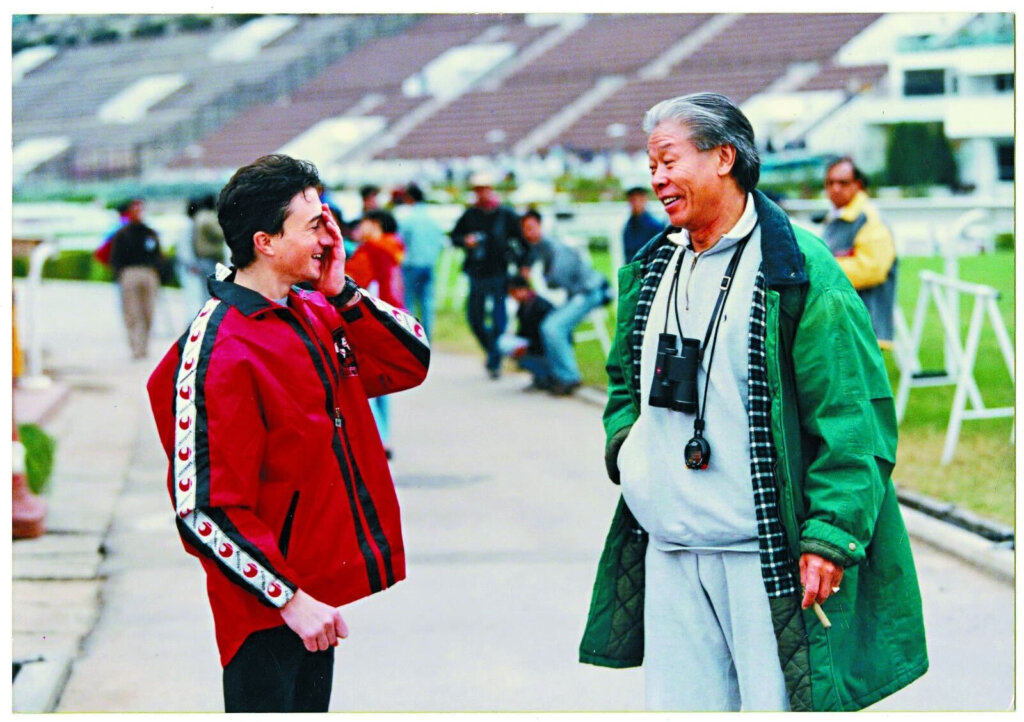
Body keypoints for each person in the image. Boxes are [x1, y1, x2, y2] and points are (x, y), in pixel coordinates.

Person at [579, 93, 927, 712]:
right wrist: (628, 452)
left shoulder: (800, 272)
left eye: (668, 160)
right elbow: (623, 383)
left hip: (763, 550)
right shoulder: (652, 268)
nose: (655, 178)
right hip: (670, 546)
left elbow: (852, 414)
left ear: (724, 158)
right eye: (650, 163)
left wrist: (831, 537)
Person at [146, 154, 429, 713]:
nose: (331, 235)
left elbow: (409, 362)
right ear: (266, 241)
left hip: (311, 594)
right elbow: (204, 508)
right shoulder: (222, 349)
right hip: (266, 610)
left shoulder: (312, 309)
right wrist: (288, 598)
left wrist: (344, 290)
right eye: (314, 224)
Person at [519, 209, 610, 396]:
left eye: (531, 228)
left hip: (590, 292)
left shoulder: (554, 247)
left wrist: (540, 275)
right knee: (547, 323)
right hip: (576, 294)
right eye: (525, 230)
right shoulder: (540, 250)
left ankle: (569, 378)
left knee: (552, 327)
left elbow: (559, 278)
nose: (528, 233)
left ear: (540, 226)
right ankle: (556, 374)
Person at [450, 171, 524, 378]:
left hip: (499, 272)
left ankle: (494, 359)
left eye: (485, 189)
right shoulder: (470, 215)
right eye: (478, 190)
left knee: (499, 317)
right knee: (475, 317)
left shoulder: (505, 214)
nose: (482, 194)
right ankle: (493, 350)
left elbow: (520, 240)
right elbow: (454, 236)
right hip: (477, 273)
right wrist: (466, 241)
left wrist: (521, 266)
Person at [347, 209, 406, 458]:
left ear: (376, 225)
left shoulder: (370, 251)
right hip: (392, 319)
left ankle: (380, 439)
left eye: (365, 224)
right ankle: (386, 436)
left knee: (365, 383)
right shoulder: (395, 249)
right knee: (382, 385)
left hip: (370, 321)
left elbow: (349, 280)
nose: (360, 229)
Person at [822, 156, 898, 348]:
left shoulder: (869, 219)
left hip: (864, 322)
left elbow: (873, 269)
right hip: (841, 317)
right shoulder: (837, 216)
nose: (835, 188)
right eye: (830, 183)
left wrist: (821, 269)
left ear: (858, 185)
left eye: (843, 183)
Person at [108, 198, 165, 360]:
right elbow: (115, 257)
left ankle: (144, 345)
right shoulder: (122, 234)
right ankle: (135, 346)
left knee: (148, 311)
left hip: (148, 273)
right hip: (129, 273)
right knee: (132, 313)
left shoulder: (149, 233)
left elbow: (159, 256)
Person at [396, 183, 446, 340]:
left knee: (409, 302)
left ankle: (411, 337)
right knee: (427, 303)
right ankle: (427, 338)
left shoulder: (408, 219)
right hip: (429, 264)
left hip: (411, 264)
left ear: (409, 198)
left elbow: (400, 242)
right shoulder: (433, 219)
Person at [504, 274, 555, 391]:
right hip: (536, 345)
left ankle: (546, 376)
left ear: (523, 289)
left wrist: (525, 348)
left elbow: (541, 336)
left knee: (522, 353)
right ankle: (540, 376)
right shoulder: (523, 307)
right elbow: (523, 332)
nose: (513, 297)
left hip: (546, 348)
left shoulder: (540, 306)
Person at [621, 186, 664, 264]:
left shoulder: (656, 226)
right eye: (633, 200)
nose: (636, 203)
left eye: (639, 199)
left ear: (645, 200)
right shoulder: (627, 227)